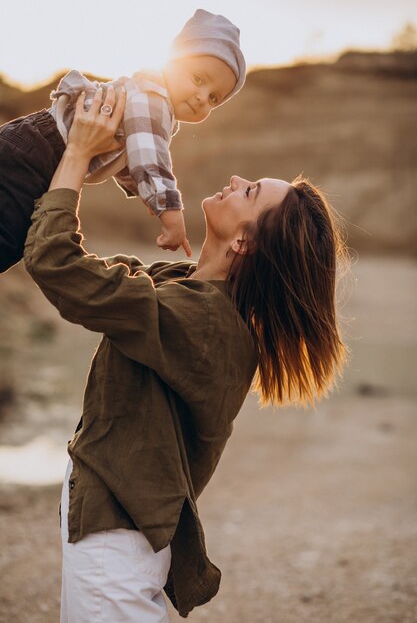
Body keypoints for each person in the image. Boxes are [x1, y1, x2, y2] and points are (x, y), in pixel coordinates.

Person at [24, 87, 348, 622]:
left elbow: (57, 263)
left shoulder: (206, 323)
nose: (235, 181)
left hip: (116, 549)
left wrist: (79, 155)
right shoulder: (186, 290)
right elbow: (116, 275)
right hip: (115, 538)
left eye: (249, 193)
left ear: (245, 243)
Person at [0, 9, 246, 273]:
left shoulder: (151, 98)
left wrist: (146, 193)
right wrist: (170, 213)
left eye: (213, 98)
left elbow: (128, 157)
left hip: (31, 147)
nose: (201, 97)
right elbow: (150, 162)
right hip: (36, 152)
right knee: (8, 237)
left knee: (13, 238)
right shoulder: (154, 100)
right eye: (198, 79)